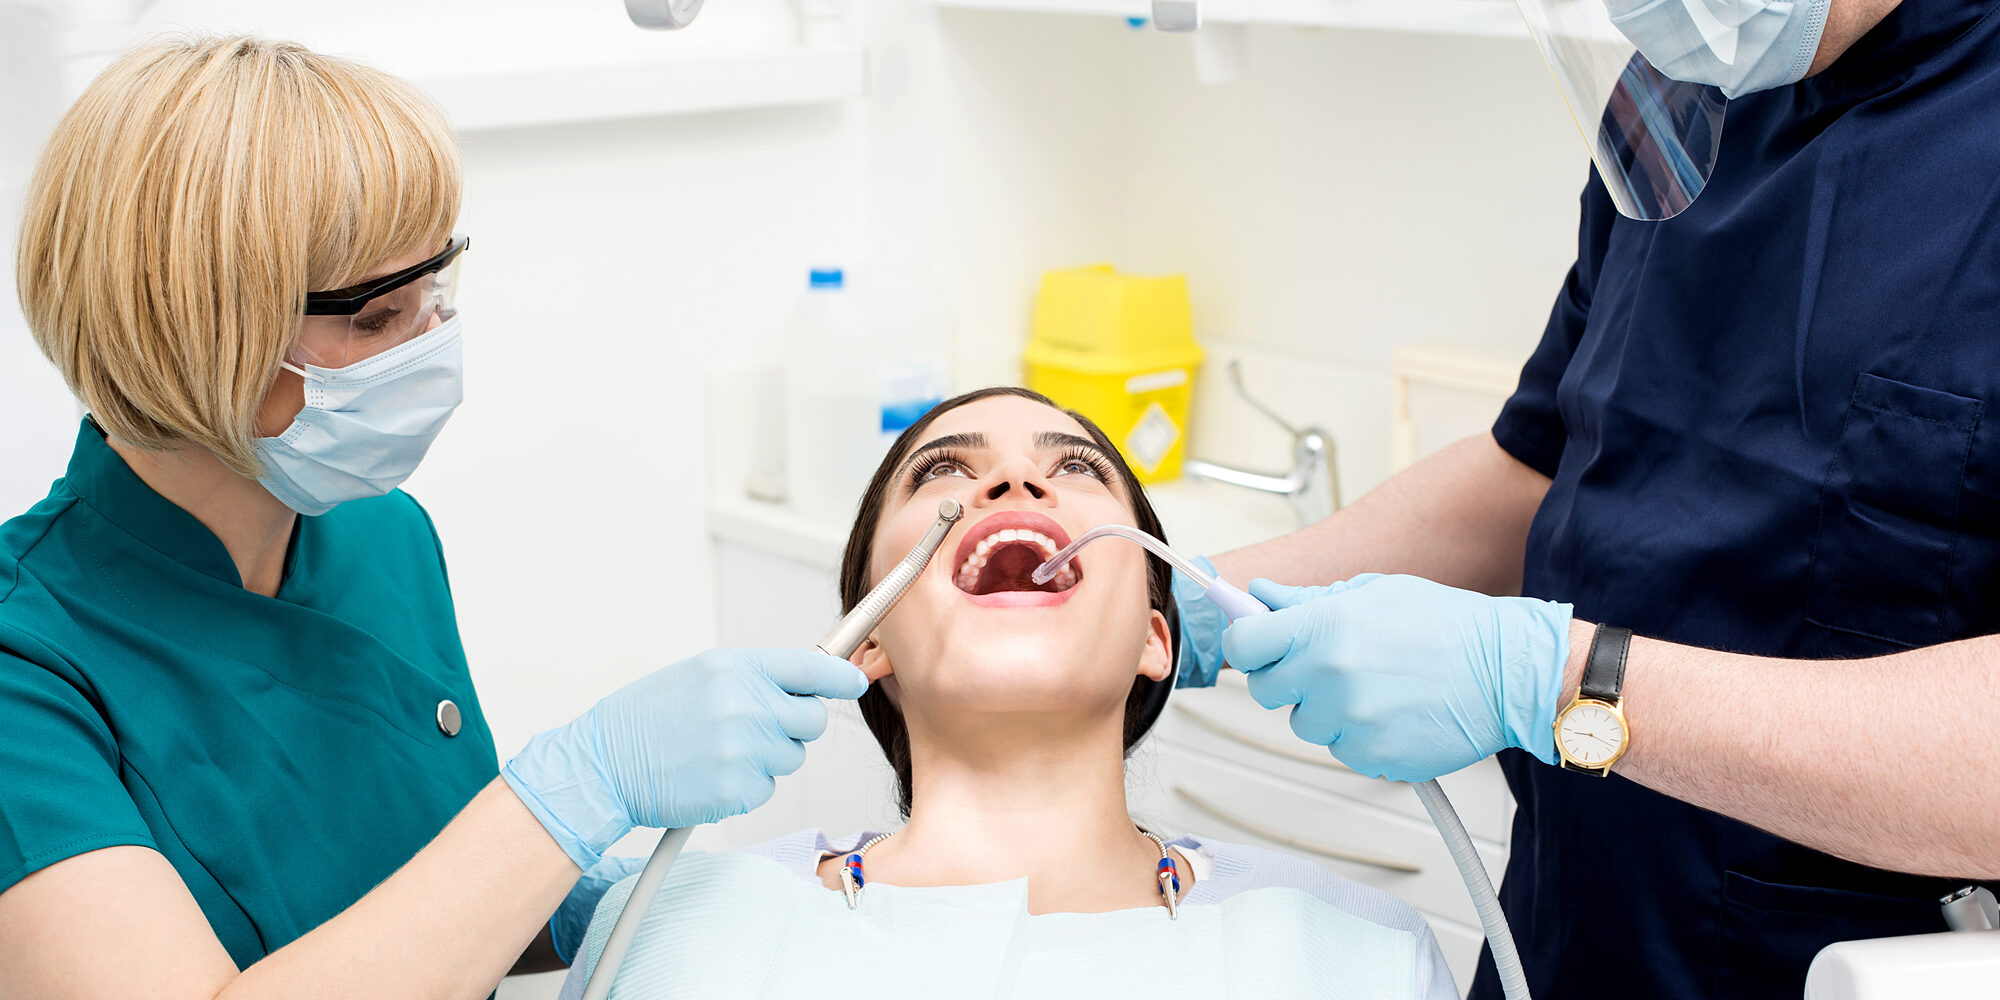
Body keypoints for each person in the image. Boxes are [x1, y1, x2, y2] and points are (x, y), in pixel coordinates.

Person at [0, 36, 863, 999]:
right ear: (189, 328)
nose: (432, 345)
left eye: (437, 290)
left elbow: (432, 905)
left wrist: (605, 906)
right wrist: (583, 785)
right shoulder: (25, 667)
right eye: (378, 318)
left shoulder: (383, 539)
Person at [1171, 0, 2000, 996]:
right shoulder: (1678, 91)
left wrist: (1554, 682)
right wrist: (1186, 602)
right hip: (1567, 927)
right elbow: (1538, 463)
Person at [560, 387, 1458, 1000]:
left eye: (1076, 470)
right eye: (944, 471)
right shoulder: (677, 936)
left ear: (1157, 637)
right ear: (869, 638)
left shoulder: (1353, 955)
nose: (1016, 481)